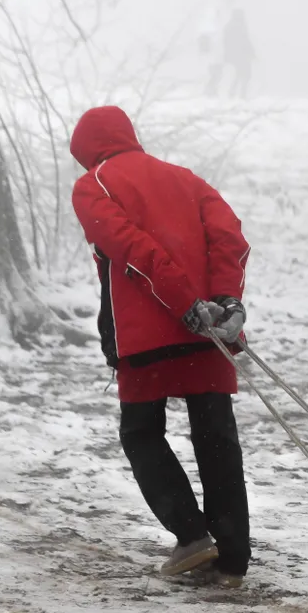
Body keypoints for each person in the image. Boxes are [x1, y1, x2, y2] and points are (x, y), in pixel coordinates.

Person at [69, 105, 253, 587]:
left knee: (140, 433)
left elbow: (128, 246)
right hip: (207, 332)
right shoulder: (185, 179)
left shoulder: (94, 186)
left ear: (86, 149)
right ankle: (232, 559)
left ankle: (192, 536)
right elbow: (228, 237)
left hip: (148, 334)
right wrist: (224, 299)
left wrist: (184, 303)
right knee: (216, 437)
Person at [203, 5, 254, 98]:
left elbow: (232, 41)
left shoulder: (230, 26)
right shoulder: (239, 26)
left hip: (233, 55)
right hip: (238, 54)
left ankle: (235, 92)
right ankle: (240, 93)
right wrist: (251, 52)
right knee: (244, 74)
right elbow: (244, 40)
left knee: (239, 74)